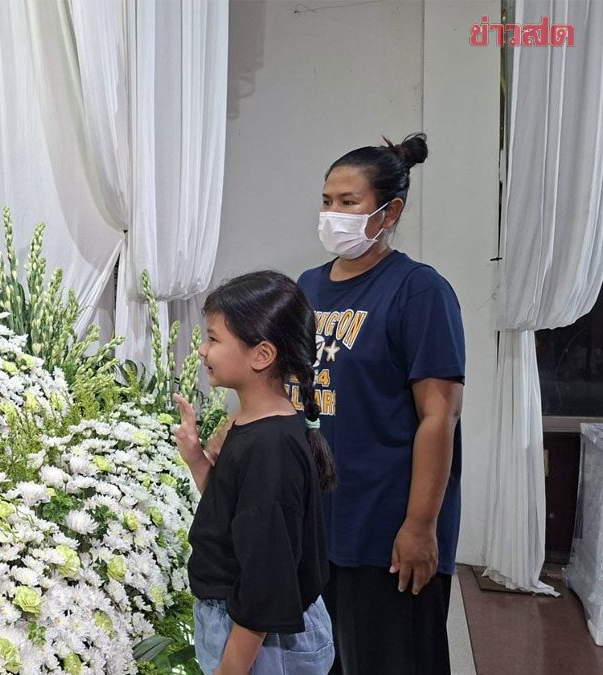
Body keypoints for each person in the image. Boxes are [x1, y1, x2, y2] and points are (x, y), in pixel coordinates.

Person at [297, 133, 465, 675]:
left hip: (387, 525)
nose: (333, 214)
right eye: (327, 201)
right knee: (325, 659)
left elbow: (439, 417)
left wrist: (420, 525)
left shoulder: (419, 291)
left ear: (389, 211)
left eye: (349, 203)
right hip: (322, 522)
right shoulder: (308, 288)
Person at [173, 270, 337, 675]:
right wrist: (197, 458)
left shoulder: (270, 448)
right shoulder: (252, 426)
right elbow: (234, 512)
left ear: (261, 355)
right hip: (247, 632)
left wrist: (231, 670)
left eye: (213, 339)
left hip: (260, 643)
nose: (202, 351)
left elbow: (266, 580)